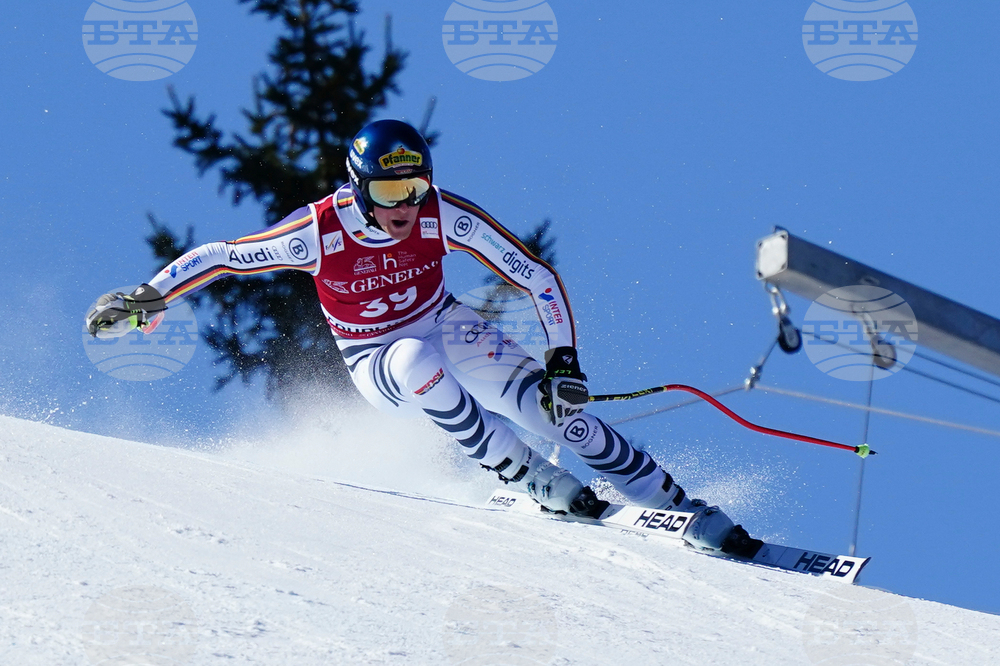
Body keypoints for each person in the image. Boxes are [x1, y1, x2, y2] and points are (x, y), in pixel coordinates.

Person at [85, 119, 761, 557]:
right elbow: (225, 256)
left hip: (445, 321)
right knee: (415, 359)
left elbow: (535, 275)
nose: (406, 205)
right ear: (359, 188)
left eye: (415, 186)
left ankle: (682, 507)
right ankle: (525, 471)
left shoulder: (442, 215)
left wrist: (563, 360)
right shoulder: (318, 231)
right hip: (376, 359)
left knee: (556, 412)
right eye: (390, 191)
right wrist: (149, 297)